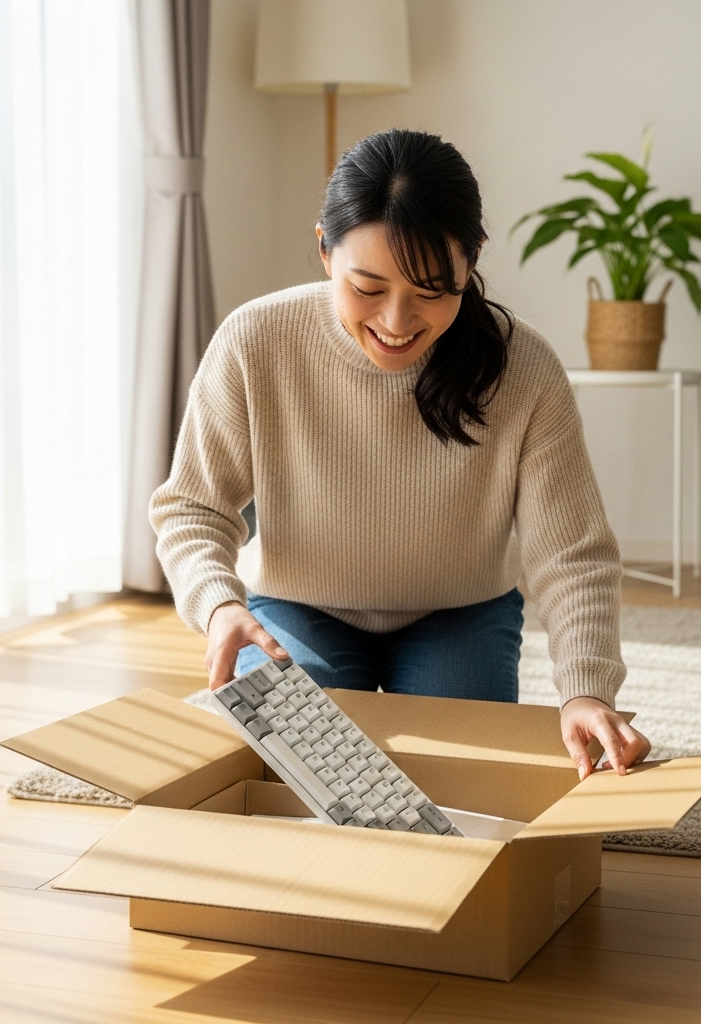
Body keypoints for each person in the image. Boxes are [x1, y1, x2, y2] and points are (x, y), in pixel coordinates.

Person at [150, 129, 650, 779]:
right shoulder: (255, 341)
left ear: (472, 259)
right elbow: (192, 509)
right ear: (325, 250)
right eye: (368, 287)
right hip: (298, 607)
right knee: (298, 771)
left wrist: (586, 689)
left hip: (460, 612)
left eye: (431, 290)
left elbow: (572, 553)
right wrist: (220, 606)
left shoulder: (524, 368)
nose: (395, 321)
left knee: (461, 779)